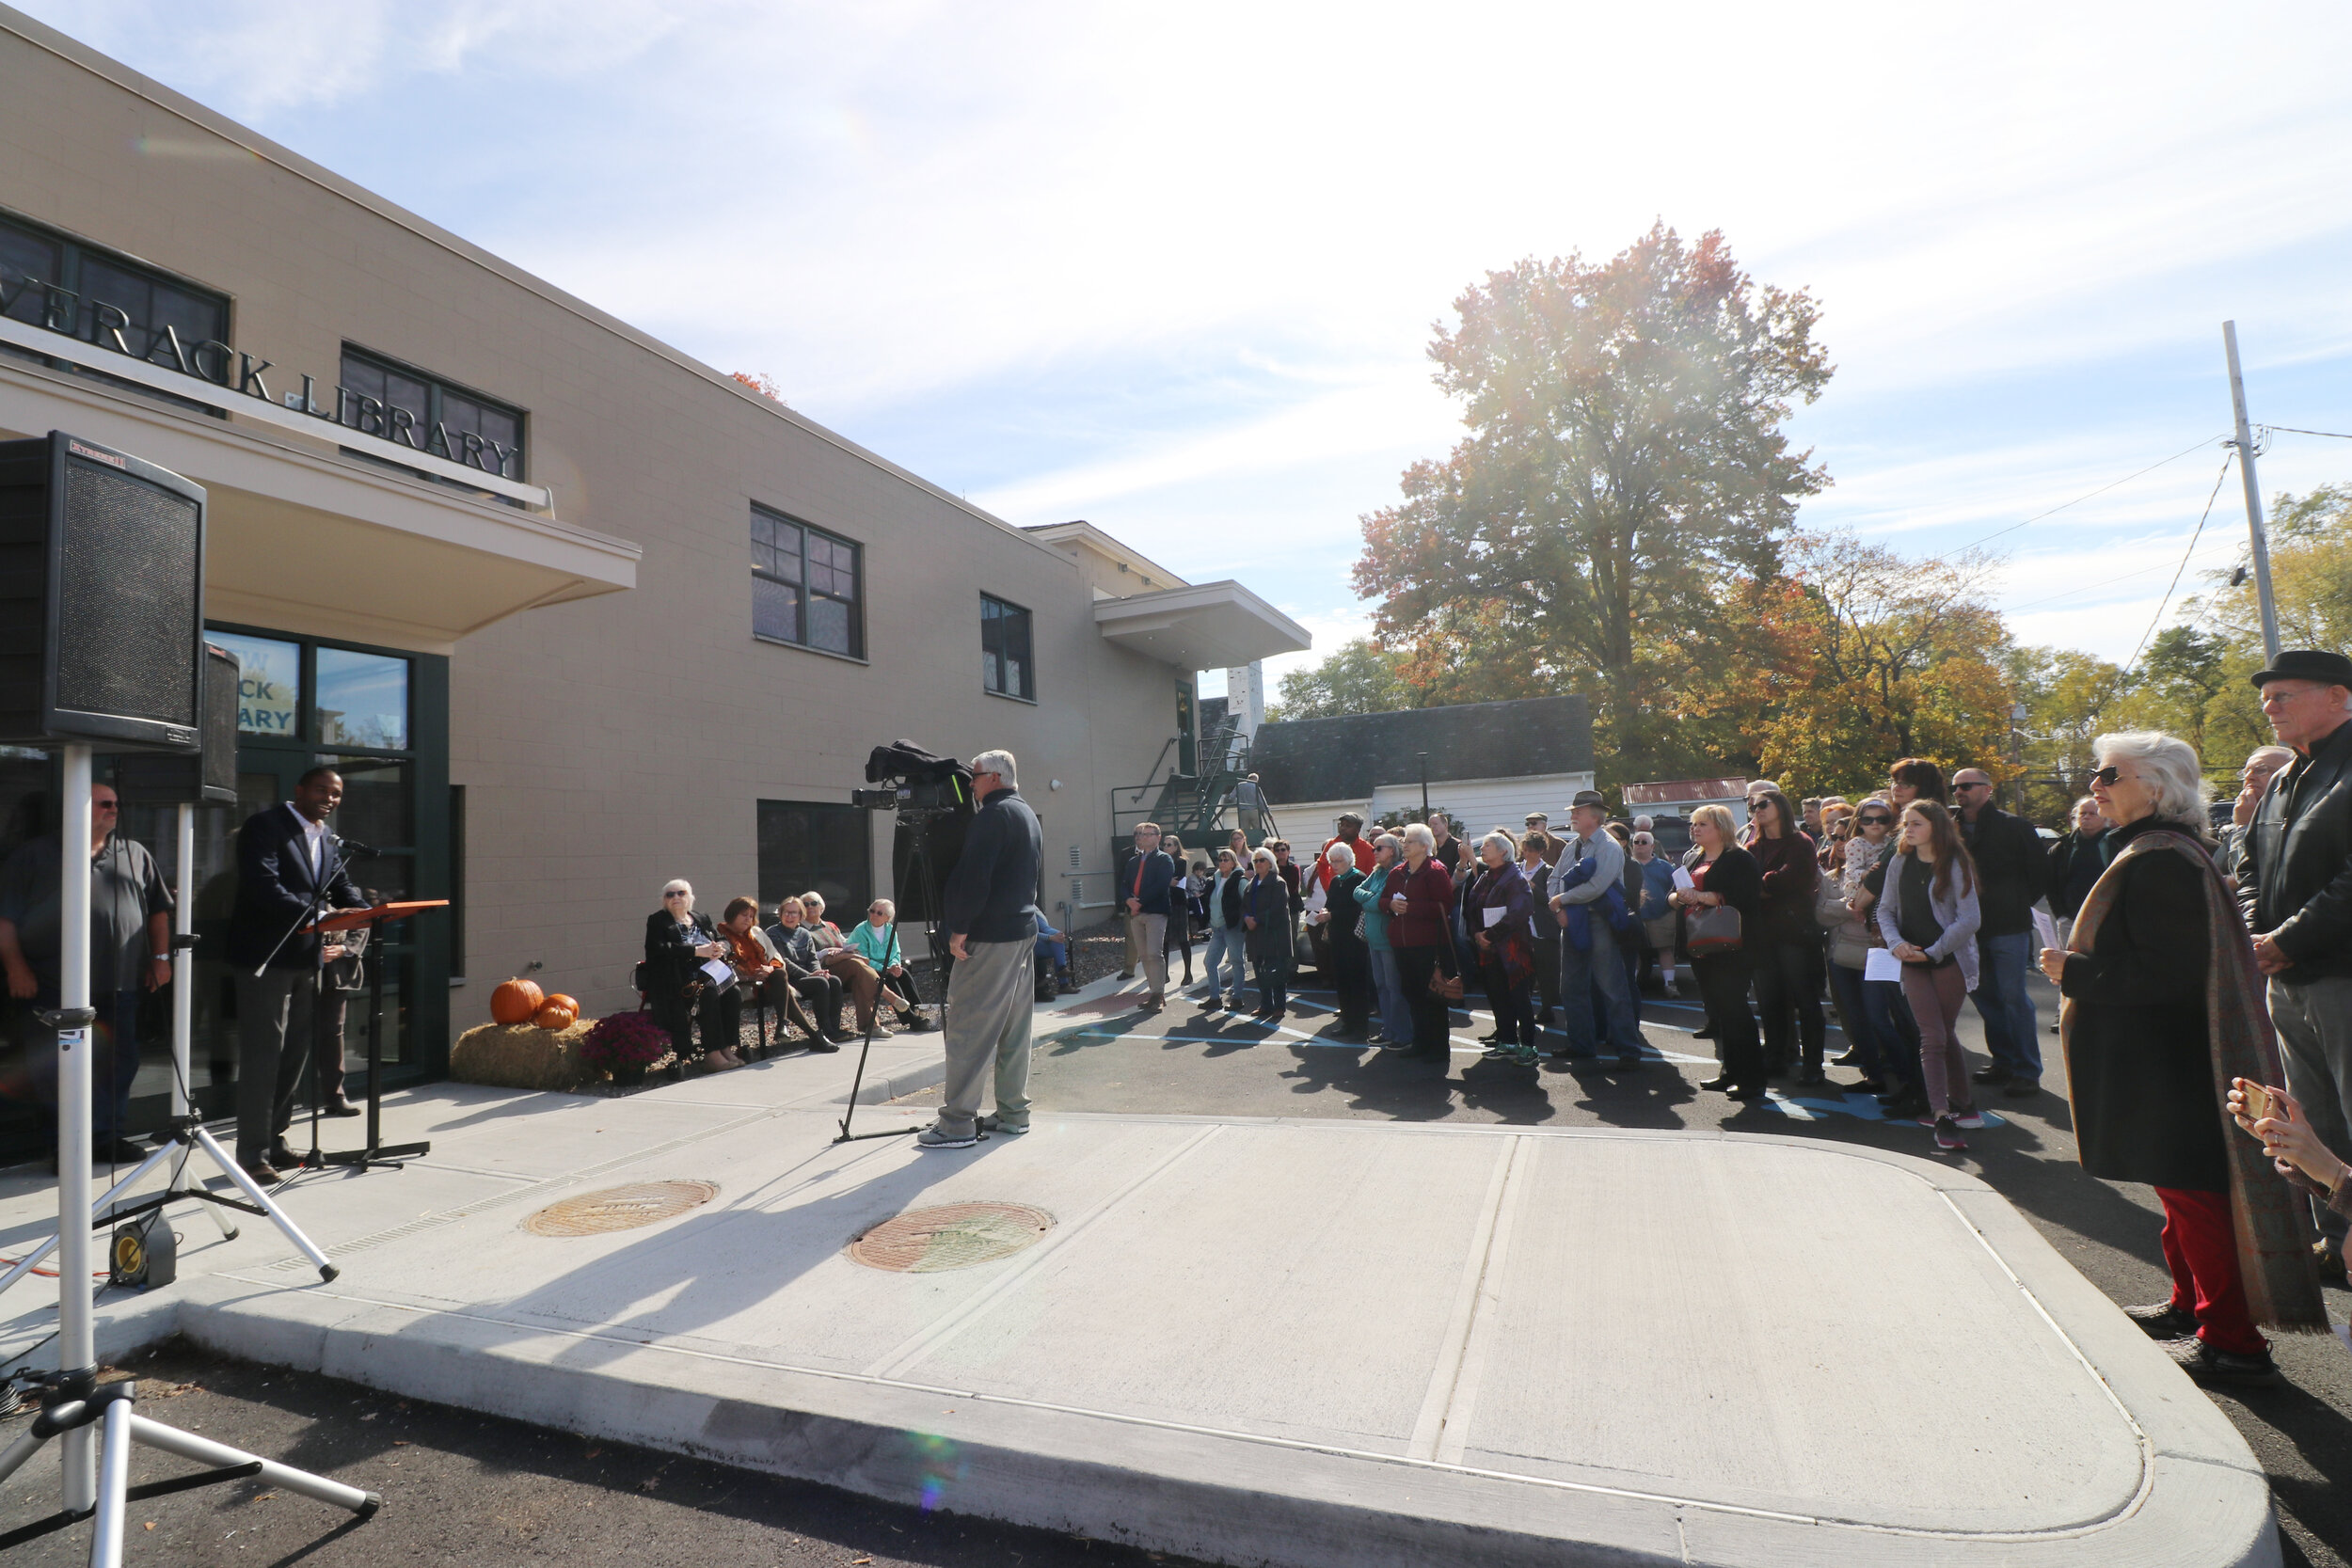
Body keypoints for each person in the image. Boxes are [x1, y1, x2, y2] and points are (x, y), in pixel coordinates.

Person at [2047, 732, 2327, 1384]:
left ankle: (2233, 1343)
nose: (2096, 785)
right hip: (2169, 1058)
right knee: (2181, 1198)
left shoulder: (2160, 860)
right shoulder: (2159, 852)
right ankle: (2191, 1309)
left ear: (2157, 784)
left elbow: (2165, 975)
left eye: (2109, 773)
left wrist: (2075, 973)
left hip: (2169, 1064)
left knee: (2195, 1199)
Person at [2235, 647, 2352, 1283]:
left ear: (2338, 696)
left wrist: (2288, 938)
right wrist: (2260, 932)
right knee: (2315, 1116)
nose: (2270, 706)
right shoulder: (2283, 779)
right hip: (2288, 976)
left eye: (2285, 694)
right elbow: (2248, 865)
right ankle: (2337, 1240)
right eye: (2266, 697)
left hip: (2340, 973)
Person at [0, 780, 176, 1164]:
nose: (114, 810)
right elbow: (6, 920)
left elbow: (158, 911)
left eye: (116, 803)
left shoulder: (135, 854)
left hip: (120, 986)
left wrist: (161, 959)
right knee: (56, 1070)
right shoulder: (35, 856)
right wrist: (16, 969)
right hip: (52, 987)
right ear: (76, 807)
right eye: (104, 804)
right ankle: (64, 1146)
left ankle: (107, 1138)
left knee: (119, 1063)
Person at [220, 767, 367, 1181]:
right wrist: (322, 916)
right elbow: (262, 885)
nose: (330, 798)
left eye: (336, 793)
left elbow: (341, 884)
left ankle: (277, 1140)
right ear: (299, 789)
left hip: (307, 959)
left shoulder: (326, 837)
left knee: (294, 1055)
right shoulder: (265, 826)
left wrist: (362, 913)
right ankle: (251, 1154)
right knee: (264, 1054)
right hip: (264, 958)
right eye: (322, 790)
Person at [921, 749, 1042, 1148]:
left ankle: (956, 1123)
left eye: (973, 776)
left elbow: (976, 878)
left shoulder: (991, 816)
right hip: (1021, 931)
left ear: (992, 777)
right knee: (1013, 1029)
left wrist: (957, 928)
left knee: (969, 1027)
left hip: (990, 937)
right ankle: (1013, 1112)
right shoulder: (1025, 812)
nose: (969, 783)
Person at [1876, 801, 1981, 1151]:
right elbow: (1885, 909)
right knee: (1932, 1035)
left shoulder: (1955, 863)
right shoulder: (1899, 862)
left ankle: (1964, 1105)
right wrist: (1896, 944)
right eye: (1905, 823)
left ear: (1935, 827)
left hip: (1949, 961)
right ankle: (1942, 1114)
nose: (1907, 828)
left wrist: (1933, 951)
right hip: (1911, 961)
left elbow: (1969, 920)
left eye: (1915, 823)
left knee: (1944, 1032)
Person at [1950, 767, 2048, 1098]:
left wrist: (2016, 902)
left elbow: (2039, 874)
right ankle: (2003, 1061)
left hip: (2008, 926)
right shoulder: (1951, 828)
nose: (1959, 792)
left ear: (1988, 789)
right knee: (1983, 995)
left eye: (1966, 786)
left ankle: (2026, 1070)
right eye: (1955, 788)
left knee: (2012, 997)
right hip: (1967, 929)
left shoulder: (2014, 826)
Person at [1672, 804, 1763, 1098]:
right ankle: (1730, 1072)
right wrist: (1678, 897)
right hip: (1702, 945)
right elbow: (1676, 893)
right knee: (1720, 1013)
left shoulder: (1740, 858)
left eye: (1703, 824)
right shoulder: (1695, 856)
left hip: (1732, 945)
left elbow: (1746, 897)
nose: (1695, 829)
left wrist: (1703, 896)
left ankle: (1751, 1080)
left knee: (1735, 1010)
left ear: (1721, 828)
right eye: (1694, 824)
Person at [1825, 798, 1915, 1100]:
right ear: (1858, 822)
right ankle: (1873, 1075)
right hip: (1849, 943)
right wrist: (1865, 882)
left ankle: (1906, 1079)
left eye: (1882, 819)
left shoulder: (1898, 846)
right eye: (1867, 819)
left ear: (1891, 821)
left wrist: (1870, 883)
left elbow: (1897, 887)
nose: (1875, 824)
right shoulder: (1854, 846)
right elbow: (1852, 885)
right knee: (1856, 1015)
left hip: (1882, 942)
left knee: (1881, 1015)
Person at [1550, 791, 1644, 1068]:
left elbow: (1597, 887)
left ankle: (1629, 1051)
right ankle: (1581, 1045)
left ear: (1595, 815)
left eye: (1577, 811)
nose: (1572, 816)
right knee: (1571, 987)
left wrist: (1561, 901)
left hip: (1598, 921)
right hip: (1572, 920)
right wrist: (1559, 909)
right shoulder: (1572, 846)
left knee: (1612, 987)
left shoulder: (1609, 846)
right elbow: (1555, 878)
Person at [1747, 788, 1828, 1085]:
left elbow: (1790, 879)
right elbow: (1745, 884)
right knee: (1769, 1001)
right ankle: (1776, 1058)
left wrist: (1764, 883)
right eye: (1753, 806)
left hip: (1795, 933)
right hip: (1762, 934)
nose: (1757, 809)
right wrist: (1768, 884)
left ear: (1780, 806)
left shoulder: (1801, 843)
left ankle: (1813, 1066)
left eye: (1763, 804)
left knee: (1806, 1001)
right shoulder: (1753, 848)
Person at [644, 881, 742, 1072]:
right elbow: (660, 949)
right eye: (669, 895)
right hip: (679, 979)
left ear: (690, 897)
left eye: (681, 893)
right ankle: (712, 1053)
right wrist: (697, 951)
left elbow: (721, 939)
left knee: (734, 993)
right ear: (664, 900)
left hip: (710, 972)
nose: (675, 898)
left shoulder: (700, 917)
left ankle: (726, 1048)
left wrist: (719, 949)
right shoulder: (658, 921)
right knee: (708, 993)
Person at [1386, 822, 1460, 1062]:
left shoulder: (1435, 871)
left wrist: (1411, 908)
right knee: (1412, 994)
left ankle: (1439, 1048)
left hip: (1428, 945)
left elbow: (1444, 906)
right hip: (1402, 945)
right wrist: (1389, 905)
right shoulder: (1397, 872)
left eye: (1410, 841)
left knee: (1432, 996)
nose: (1404, 845)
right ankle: (1420, 1043)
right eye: (1404, 841)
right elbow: (1383, 899)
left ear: (1425, 846)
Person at [1466, 832, 1537, 1066]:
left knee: (1519, 997)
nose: (1482, 850)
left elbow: (1519, 912)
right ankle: (1506, 1041)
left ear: (1503, 851)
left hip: (1512, 949)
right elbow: (1472, 906)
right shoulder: (1485, 876)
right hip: (1488, 949)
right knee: (1497, 996)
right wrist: (1477, 933)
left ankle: (1528, 1046)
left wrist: (1490, 934)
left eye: (1487, 846)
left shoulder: (1515, 878)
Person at [801, 892, 913, 1035]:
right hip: (824, 968)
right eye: (806, 904)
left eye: (814, 903)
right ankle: (888, 995)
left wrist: (848, 949)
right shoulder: (802, 930)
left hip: (844, 964)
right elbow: (806, 956)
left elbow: (844, 942)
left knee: (859, 975)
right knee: (858, 964)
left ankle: (871, 1026)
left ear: (821, 907)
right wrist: (827, 951)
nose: (810, 907)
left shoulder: (830, 926)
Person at [720, 895, 819, 1047]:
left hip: (769, 982)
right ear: (732, 914)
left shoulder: (757, 932)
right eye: (744, 915)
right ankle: (808, 1034)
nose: (748, 919)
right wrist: (750, 976)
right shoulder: (722, 936)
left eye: (751, 916)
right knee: (783, 987)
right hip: (747, 986)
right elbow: (724, 969)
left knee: (780, 973)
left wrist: (770, 968)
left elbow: (776, 956)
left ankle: (784, 1026)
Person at [766, 897, 852, 1049]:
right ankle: (824, 1031)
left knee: (834, 980)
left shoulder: (804, 934)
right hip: (788, 979)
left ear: (801, 916)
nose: (790, 916)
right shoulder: (773, 933)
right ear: (780, 914)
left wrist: (817, 971)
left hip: (807, 975)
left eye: (794, 913)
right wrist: (809, 975)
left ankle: (833, 1028)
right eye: (786, 912)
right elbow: (783, 961)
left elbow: (812, 958)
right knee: (820, 983)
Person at [1355, 834, 1411, 1045]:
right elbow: (1357, 891)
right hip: (1373, 938)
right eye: (1374, 848)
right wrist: (1373, 900)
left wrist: (1372, 900)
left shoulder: (1397, 872)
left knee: (1394, 989)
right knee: (1381, 987)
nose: (1375, 851)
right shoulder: (1377, 872)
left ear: (1392, 850)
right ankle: (1388, 1031)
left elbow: (1377, 902)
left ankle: (1402, 1034)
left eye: (1379, 848)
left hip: (1389, 940)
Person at [847, 898, 933, 1031]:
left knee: (904, 974)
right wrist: (886, 969)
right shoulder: (861, 930)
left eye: (879, 913)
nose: (874, 915)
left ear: (887, 918)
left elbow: (895, 952)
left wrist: (895, 966)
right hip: (867, 969)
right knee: (890, 979)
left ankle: (920, 1012)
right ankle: (910, 1018)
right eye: (872, 911)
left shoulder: (890, 930)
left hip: (887, 966)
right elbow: (863, 958)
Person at [1116, 823, 1176, 1010]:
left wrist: (1138, 903)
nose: (1143, 837)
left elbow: (1161, 885)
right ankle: (1153, 993)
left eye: (1148, 834)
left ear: (1158, 837)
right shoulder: (1133, 862)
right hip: (1136, 914)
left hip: (1155, 912)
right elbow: (1123, 884)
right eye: (1141, 834)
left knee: (1154, 953)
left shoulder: (1164, 860)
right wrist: (1129, 901)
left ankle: (1158, 994)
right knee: (1143, 954)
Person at [2220, 745, 2294, 882]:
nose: (2249, 777)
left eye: (2261, 770)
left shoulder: (2293, 822)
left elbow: (2248, 879)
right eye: (2246, 771)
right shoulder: (2234, 824)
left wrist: (2243, 827)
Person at [1241, 847, 1298, 1022]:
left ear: (1270, 863)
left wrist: (1257, 919)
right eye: (1255, 861)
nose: (1257, 864)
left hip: (1274, 934)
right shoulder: (1252, 884)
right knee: (1259, 969)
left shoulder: (1278, 882)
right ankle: (1265, 1004)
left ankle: (1279, 1006)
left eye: (1261, 860)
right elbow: (1243, 906)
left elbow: (1278, 908)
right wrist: (1246, 918)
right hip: (1256, 935)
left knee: (1276, 971)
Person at [1322, 842, 1372, 1041]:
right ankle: (1347, 1022)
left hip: (1354, 939)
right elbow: (1329, 904)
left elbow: (1358, 910)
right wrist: (1326, 912)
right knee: (1342, 981)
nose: (1334, 864)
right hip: (1338, 938)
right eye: (1332, 861)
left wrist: (1332, 915)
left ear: (1349, 860)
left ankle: (1361, 1026)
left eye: (1338, 861)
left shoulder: (1359, 878)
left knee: (1357, 982)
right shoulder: (1335, 881)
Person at [1519, 831, 1564, 1020]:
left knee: (1546, 973)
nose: (1528, 854)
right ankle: (1524, 1010)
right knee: (1524, 973)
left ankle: (1547, 1010)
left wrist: (1533, 888)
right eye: (1526, 849)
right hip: (1521, 929)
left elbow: (1551, 900)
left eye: (1532, 850)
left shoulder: (1548, 871)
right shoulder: (1516, 868)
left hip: (1543, 930)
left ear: (1541, 851)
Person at [1629, 830, 1679, 996]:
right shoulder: (1627, 865)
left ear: (1652, 846)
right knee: (1633, 951)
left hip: (1662, 914)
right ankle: (1631, 985)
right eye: (1636, 842)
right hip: (1634, 915)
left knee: (1665, 949)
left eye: (1644, 842)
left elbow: (1677, 889)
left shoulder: (1664, 866)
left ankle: (1669, 984)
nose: (1639, 845)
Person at [1200, 847, 1248, 1011]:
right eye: (1220, 860)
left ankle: (1237, 998)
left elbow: (1247, 903)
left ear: (1234, 862)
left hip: (1233, 927)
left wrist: (1244, 922)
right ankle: (1214, 998)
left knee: (1237, 961)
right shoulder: (1214, 879)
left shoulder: (1240, 881)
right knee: (1209, 962)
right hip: (1217, 928)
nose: (1222, 862)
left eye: (1226, 859)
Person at [1161, 835, 1197, 990]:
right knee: (1165, 940)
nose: (1166, 847)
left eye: (1169, 845)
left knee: (1183, 938)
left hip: (1179, 904)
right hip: (1164, 903)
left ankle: (1188, 973)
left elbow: (1176, 880)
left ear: (1176, 847)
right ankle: (1164, 973)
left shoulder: (1181, 861)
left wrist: (1162, 880)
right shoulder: (1161, 860)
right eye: (1164, 845)